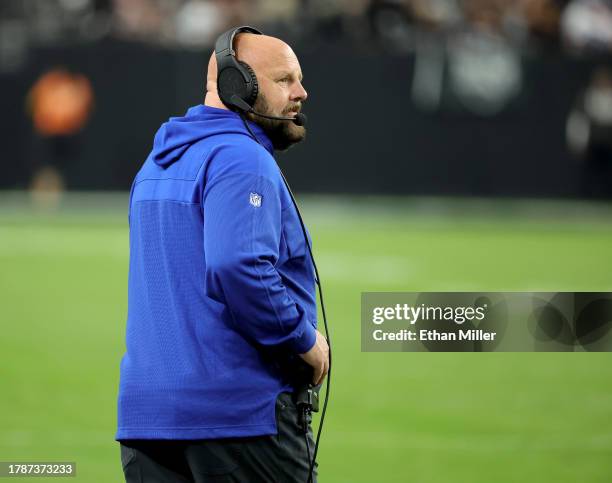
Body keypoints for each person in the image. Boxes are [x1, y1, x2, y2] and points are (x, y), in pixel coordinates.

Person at [116, 26, 329, 482]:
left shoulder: (156, 162)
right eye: (285, 80)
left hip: (147, 420)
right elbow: (239, 265)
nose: (302, 93)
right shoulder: (241, 157)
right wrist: (303, 340)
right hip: (237, 419)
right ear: (240, 86)